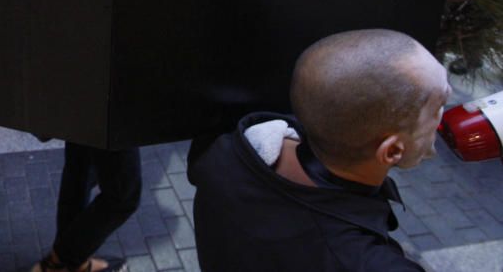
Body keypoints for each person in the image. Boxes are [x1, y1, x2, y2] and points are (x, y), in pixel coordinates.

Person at [188, 29, 451, 272]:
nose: (443, 115)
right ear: (392, 151)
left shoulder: (224, 153)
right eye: (439, 104)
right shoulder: (359, 261)